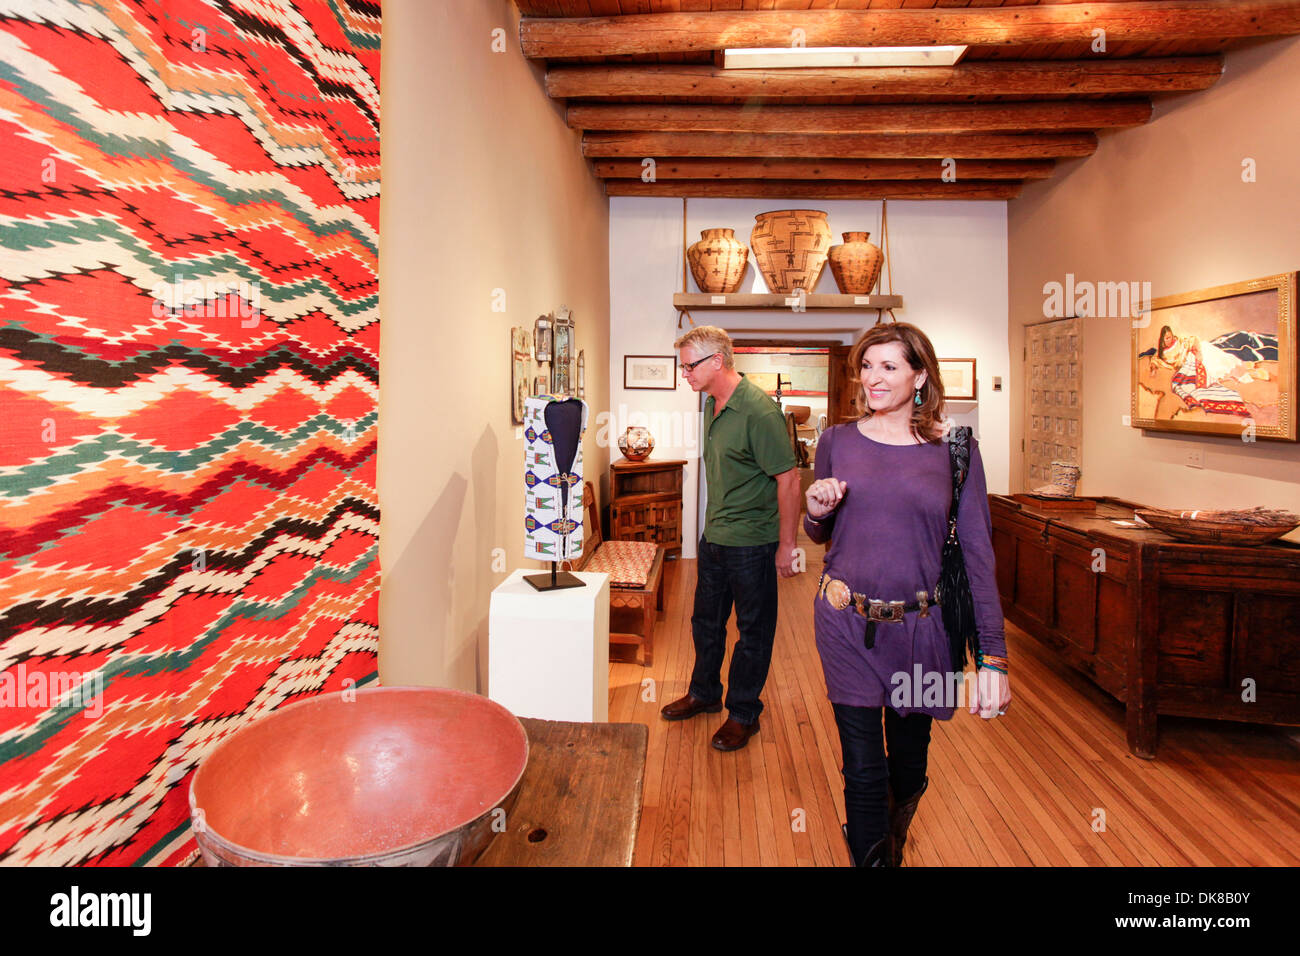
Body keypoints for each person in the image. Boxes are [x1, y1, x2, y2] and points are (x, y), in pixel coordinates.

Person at [803, 322, 1012, 866]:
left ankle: (891, 836)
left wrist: (993, 656)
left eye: (888, 367)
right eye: (867, 366)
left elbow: (977, 554)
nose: (873, 378)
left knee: (908, 767)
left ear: (920, 375)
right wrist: (815, 510)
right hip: (844, 619)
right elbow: (821, 533)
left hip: (923, 630)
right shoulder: (837, 440)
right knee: (862, 767)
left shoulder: (956, 451)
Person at [660, 326, 801, 752]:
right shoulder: (710, 404)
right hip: (715, 537)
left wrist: (786, 545)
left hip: (753, 543)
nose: (684, 374)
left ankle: (743, 714)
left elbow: (789, 480)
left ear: (716, 361)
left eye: (689, 366)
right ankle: (704, 694)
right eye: (683, 366)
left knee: (752, 631)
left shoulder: (758, 412)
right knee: (705, 622)